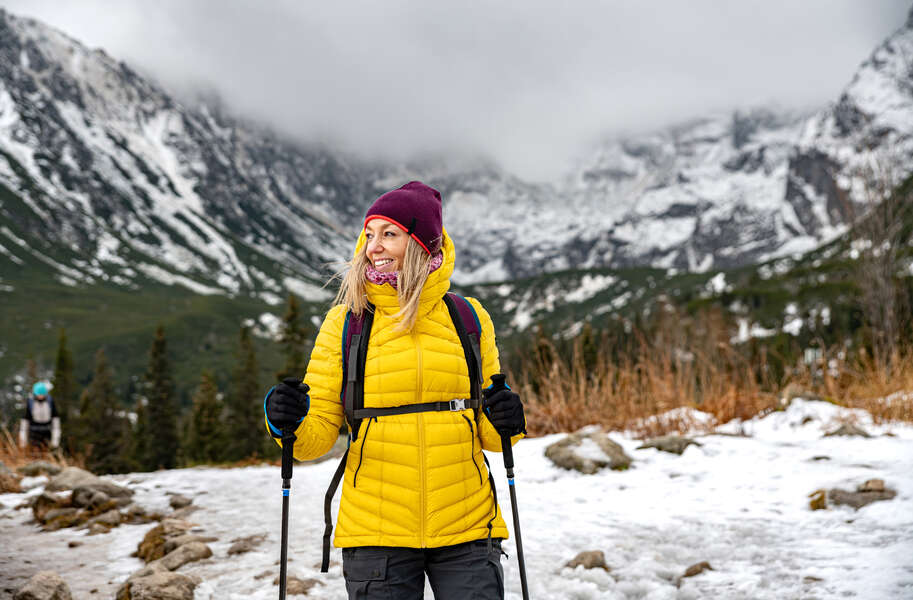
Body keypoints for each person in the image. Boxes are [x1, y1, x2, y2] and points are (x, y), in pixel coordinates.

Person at [264, 181, 527, 599]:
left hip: (468, 527)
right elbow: (312, 440)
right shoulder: (347, 322)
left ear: (423, 244)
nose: (373, 247)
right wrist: (286, 420)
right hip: (376, 529)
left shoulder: (468, 318)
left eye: (389, 234)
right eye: (369, 235)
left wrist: (508, 417)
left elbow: (496, 439)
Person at [19, 382, 60, 452]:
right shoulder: (30, 402)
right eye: (39, 394)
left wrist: (55, 440)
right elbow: (24, 423)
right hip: (34, 434)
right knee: (34, 453)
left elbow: (56, 422)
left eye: (42, 394)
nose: (40, 396)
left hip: (47, 433)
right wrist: (23, 441)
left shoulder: (50, 402)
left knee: (46, 452)